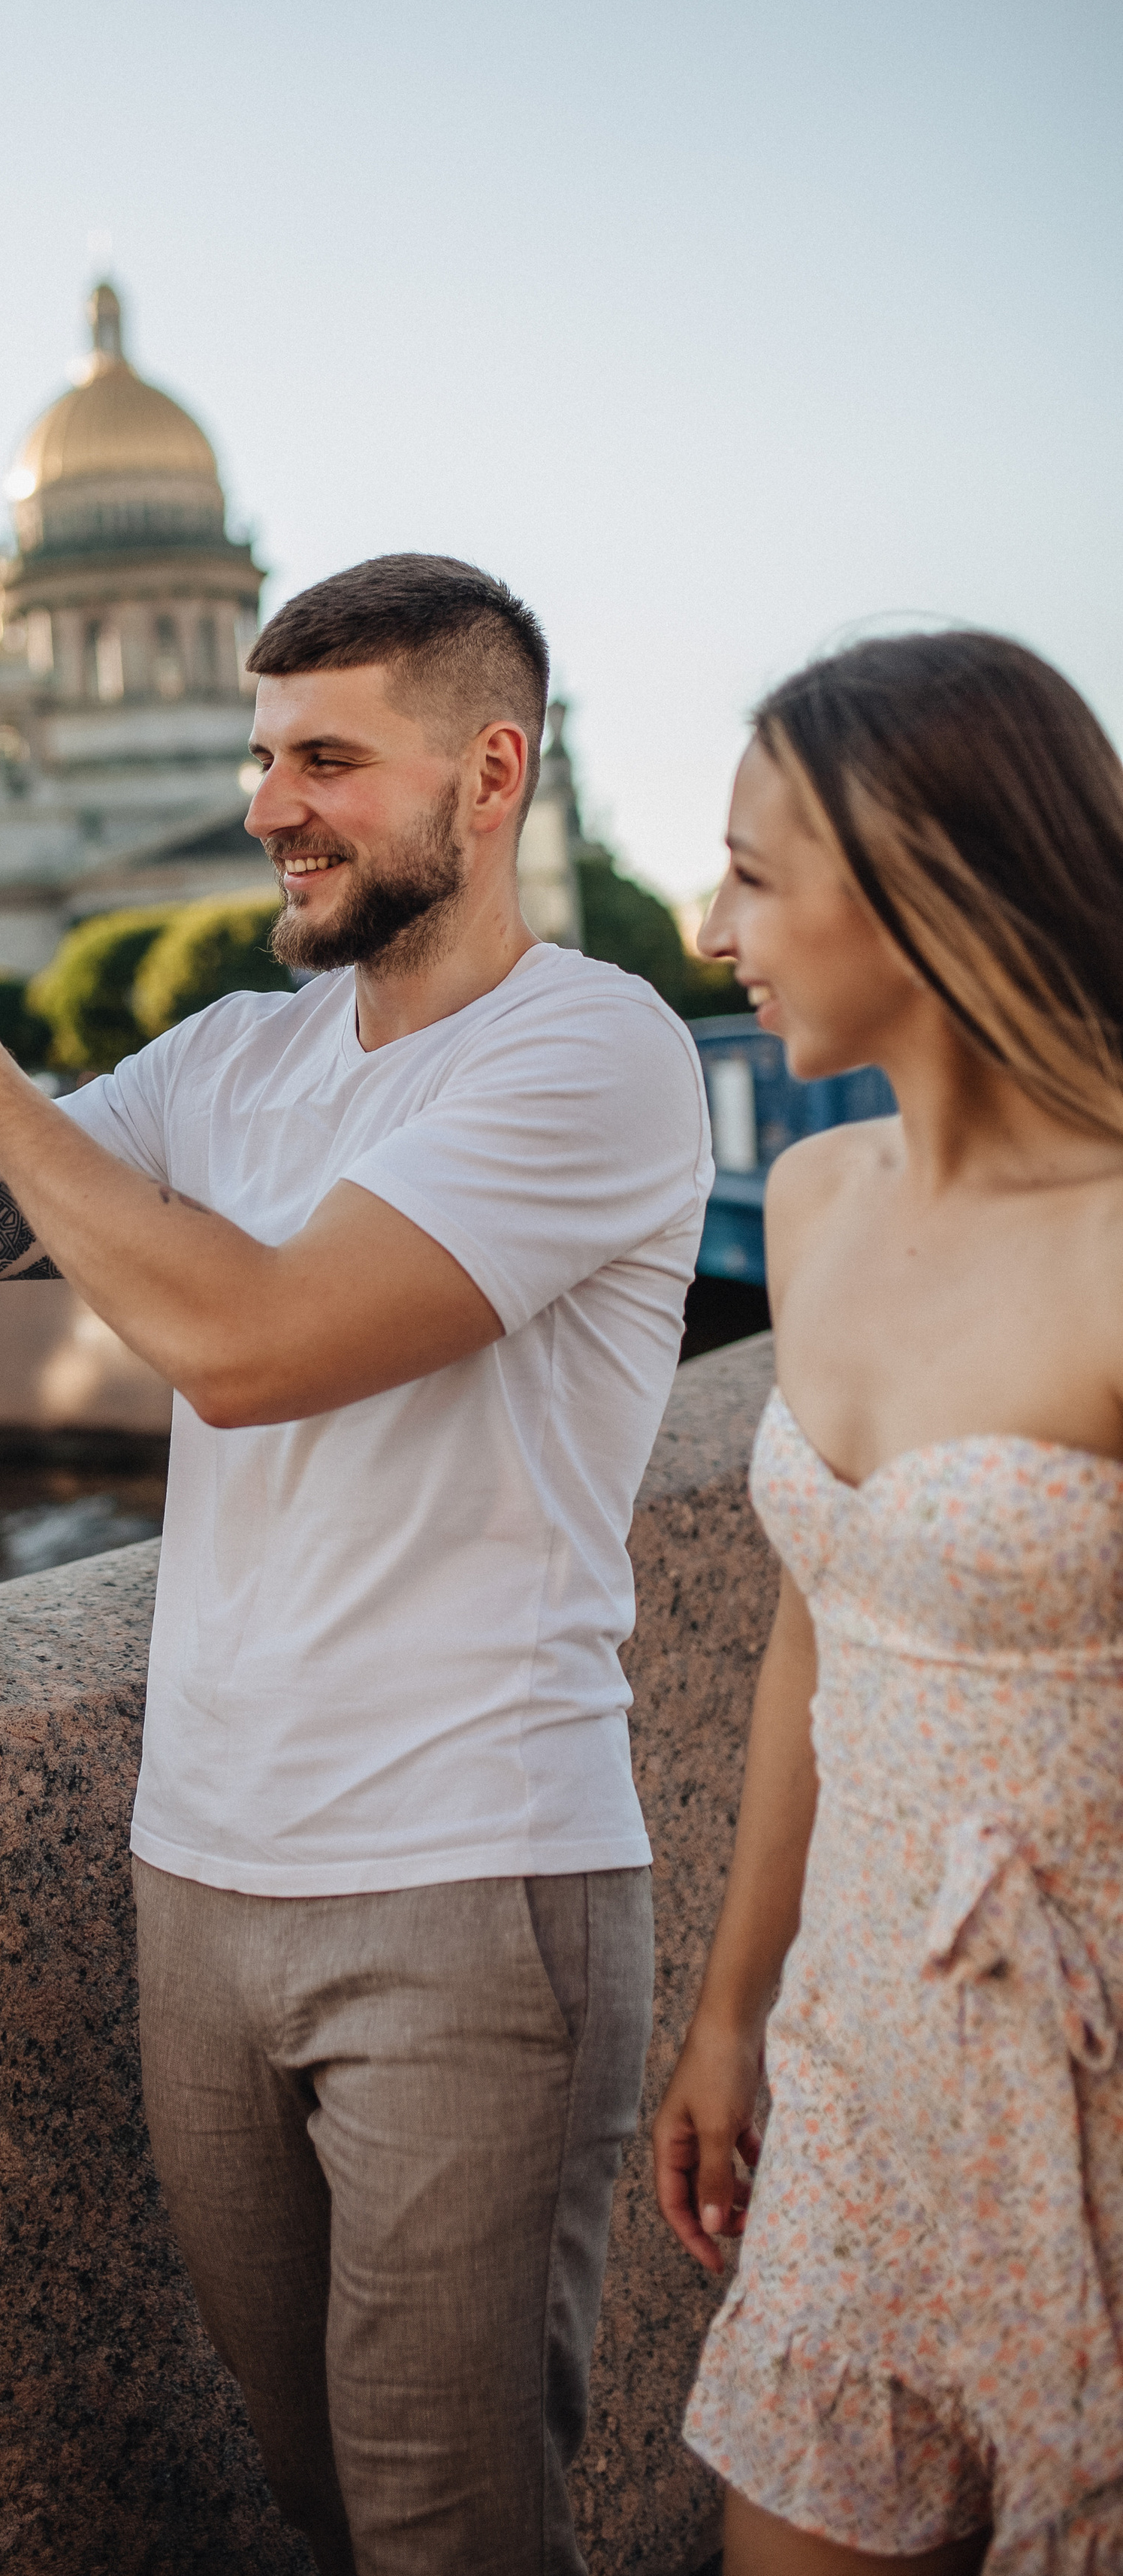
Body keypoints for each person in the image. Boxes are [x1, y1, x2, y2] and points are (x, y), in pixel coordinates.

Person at [0, 554, 714, 2576]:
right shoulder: (230, 1057)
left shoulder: (597, 1052)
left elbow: (257, 1342)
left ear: (491, 774)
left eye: (325, 758)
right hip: (202, 1875)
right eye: (254, 748)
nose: (266, 804)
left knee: (449, 2522)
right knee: (312, 2492)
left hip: (471, 1885)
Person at [651, 631, 1123, 2576]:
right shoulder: (824, 1201)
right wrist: (731, 2010)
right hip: (859, 2078)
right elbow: (816, 1632)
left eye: (755, 873)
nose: (704, 922)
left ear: (920, 885)